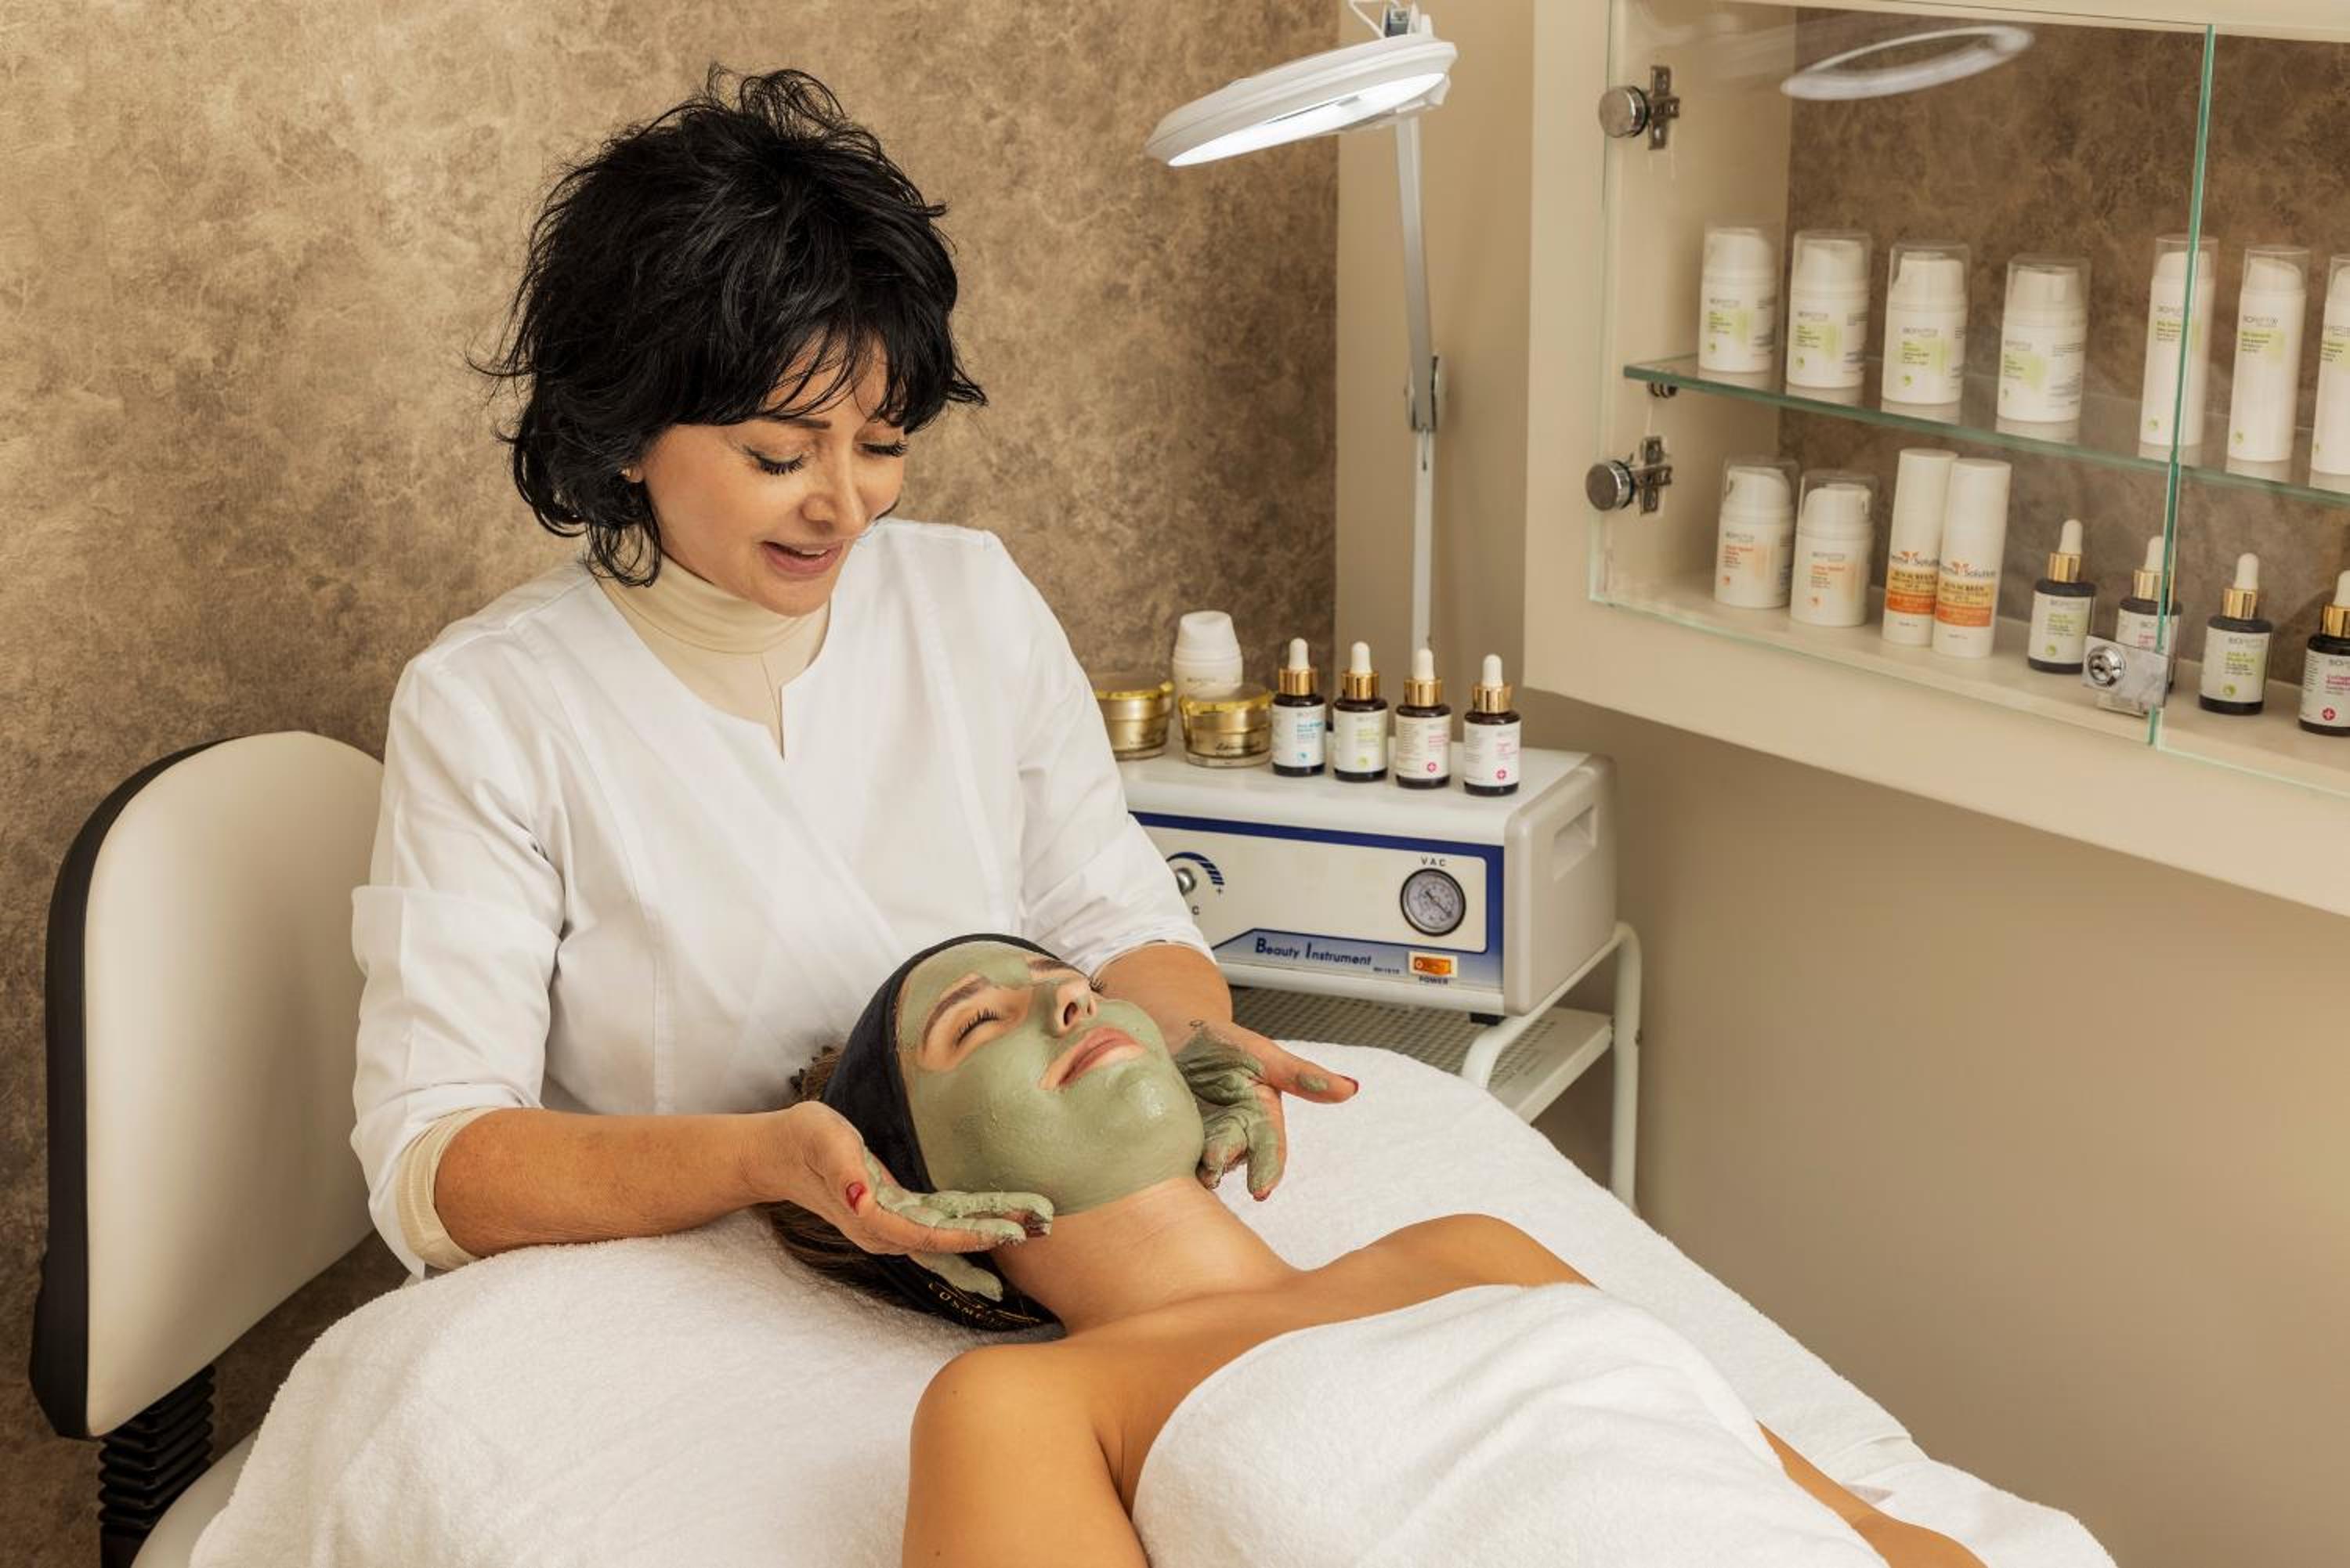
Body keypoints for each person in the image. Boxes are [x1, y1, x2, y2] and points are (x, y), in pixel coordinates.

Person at [347, 66, 1354, 1288]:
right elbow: (434, 1169)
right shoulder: (491, 705)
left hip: (1013, 1256)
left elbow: (1118, 920)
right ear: (625, 437)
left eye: (882, 443)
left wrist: (1197, 1044)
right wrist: (765, 1160)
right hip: (680, 1285)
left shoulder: (969, 602)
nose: (846, 504)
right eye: (780, 455)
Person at [766, 934, 1990, 1568]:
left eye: (1071, 977)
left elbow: (1857, 1527)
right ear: (922, 1206)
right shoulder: (1027, 1403)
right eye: (979, 1023)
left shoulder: (1470, 1250)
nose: (1071, 1000)